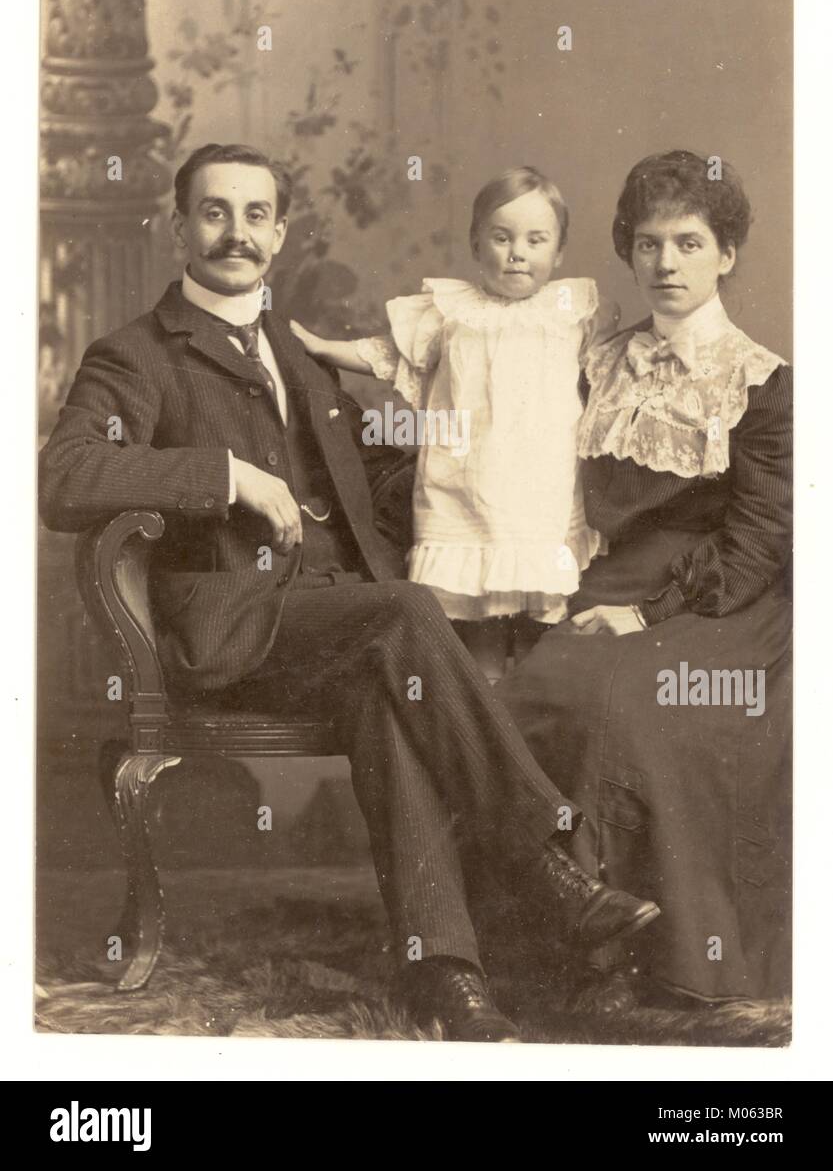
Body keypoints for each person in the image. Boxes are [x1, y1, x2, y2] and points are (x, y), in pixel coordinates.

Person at [38, 142, 660, 1042]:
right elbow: (64, 476)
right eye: (214, 212)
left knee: (389, 688)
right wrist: (227, 475)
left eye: (256, 215)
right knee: (403, 615)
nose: (235, 233)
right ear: (178, 227)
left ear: (280, 233)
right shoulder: (136, 353)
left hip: (340, 627)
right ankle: (547, 860)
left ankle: (446, 977)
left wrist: (500, 479)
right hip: (232, 635)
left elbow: (377, 481)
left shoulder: (299, 354)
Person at [498, 149, 792, 1003]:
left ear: (726, 254)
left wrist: (646, 615)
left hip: (721, 603)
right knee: (535, 693)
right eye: (649, 244)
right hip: (605, 585)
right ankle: (561, 939)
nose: (666, 264)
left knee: (629, 703)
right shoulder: (595, 362)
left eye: (690, 244)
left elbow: (757, 542)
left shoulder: (762, 385)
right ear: (628, 251)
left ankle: (642, 959)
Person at [291, 166, 618, 682]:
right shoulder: (451, 313)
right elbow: (386, 352)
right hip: (466, 488)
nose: (518, 252)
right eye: (501, 237)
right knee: (478, 621)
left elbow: (612, 370)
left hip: (542, 492)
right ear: (475, 244)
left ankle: (527, 722)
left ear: (557, 252)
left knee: (540, 625)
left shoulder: (571, 311)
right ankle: (484, 718)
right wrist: (320, 346)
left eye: (536, 240)